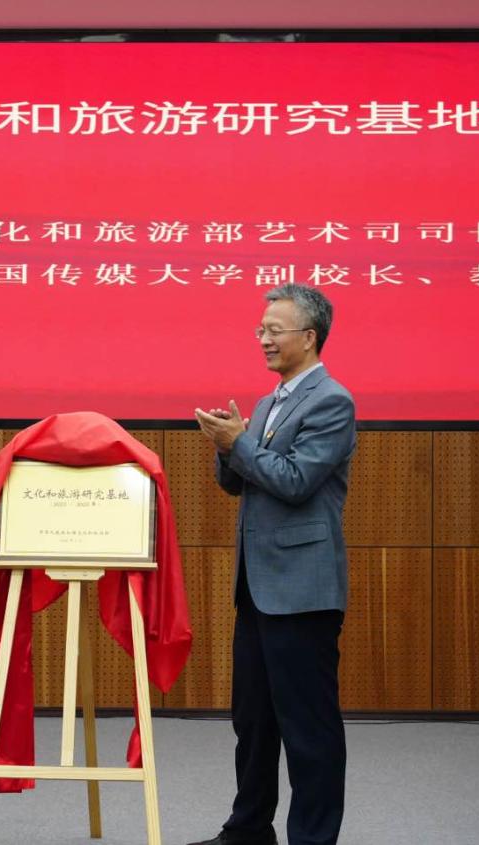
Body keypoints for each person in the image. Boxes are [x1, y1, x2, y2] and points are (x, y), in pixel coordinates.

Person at [191, 283, 356, 845]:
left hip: (303, 590)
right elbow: (241, 483)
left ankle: (312, 838)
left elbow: (295, 481)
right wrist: (227, 447)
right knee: (254, 722)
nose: (262, 339)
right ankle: (248, 829)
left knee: (308, 729)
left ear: (308, 337)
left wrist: (239, 444)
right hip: (257, 587)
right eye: (260, 330)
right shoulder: (267, 404)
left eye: (273, 330)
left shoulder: (332, 401)